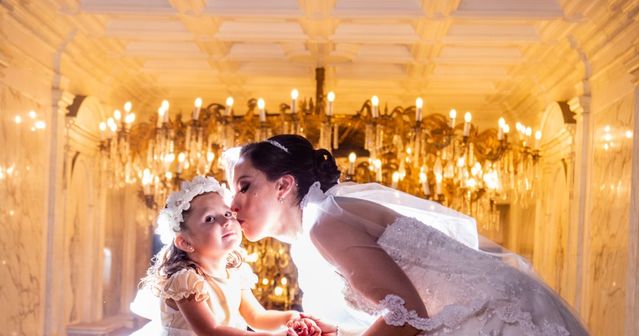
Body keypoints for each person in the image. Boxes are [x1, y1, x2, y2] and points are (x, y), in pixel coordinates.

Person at [230, 134, 590, 336]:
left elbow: (406, 313)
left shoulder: (325, 224)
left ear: (284, 185)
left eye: (244, 187)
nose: (233, 204)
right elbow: (402, 311)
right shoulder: (318, 228)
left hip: (494, 320)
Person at [137, 175, 321, 336]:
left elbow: (256, 317)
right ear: (185, 242)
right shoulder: (186, 281)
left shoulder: (235, 273)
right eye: (210, 218)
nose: (226, 221)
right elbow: (210, 331)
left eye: (227, 213)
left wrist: (291, 317)